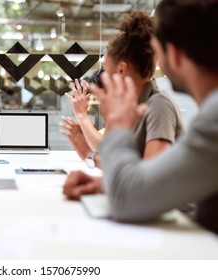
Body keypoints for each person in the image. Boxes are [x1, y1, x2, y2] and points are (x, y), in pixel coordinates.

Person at [64, 0, 218, 234]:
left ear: (174, 55)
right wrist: (104, 184)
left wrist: (117, 128)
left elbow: (134, 196)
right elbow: (158, 178)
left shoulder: (207, 118)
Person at [62, 12, 184, 163]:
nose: (103, 77)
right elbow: (115, 158)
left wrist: (91, 157)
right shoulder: (129, 107)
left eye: (106, 67)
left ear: (121, 69)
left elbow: (149, 179)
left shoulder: (159, 106)